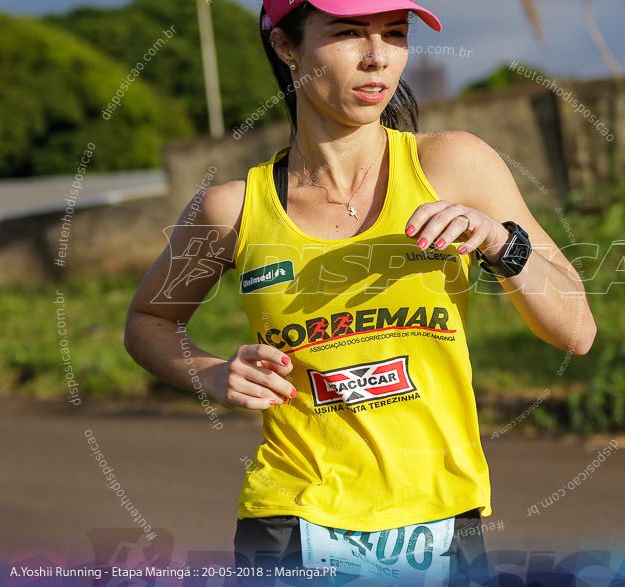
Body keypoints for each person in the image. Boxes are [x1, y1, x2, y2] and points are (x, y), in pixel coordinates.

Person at [124, 0, 596, 584]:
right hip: (290, 517)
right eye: (348, 33)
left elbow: (577, 331)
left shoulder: (453, 164)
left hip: (443, 512)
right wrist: (211, 372)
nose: (377, 58)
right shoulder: (232, 209)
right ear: (286, 46)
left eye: (394, 35)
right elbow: (148, 320)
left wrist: (500, 242)